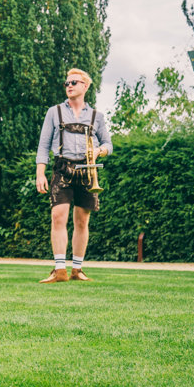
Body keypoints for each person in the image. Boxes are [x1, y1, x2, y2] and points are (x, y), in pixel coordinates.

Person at [35, 68, 113, 283]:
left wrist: (99, 151)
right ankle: (60, 269)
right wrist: (40, 173)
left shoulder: (97, 116)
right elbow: (43, 146)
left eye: (74, 82)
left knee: (82, 221)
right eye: (67, 83)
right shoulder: (55, 112)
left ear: (85, 86)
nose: (69, 85)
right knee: (57, 216)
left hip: (88, 170)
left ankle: (77, 269)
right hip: (62, 168)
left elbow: (109, 144)